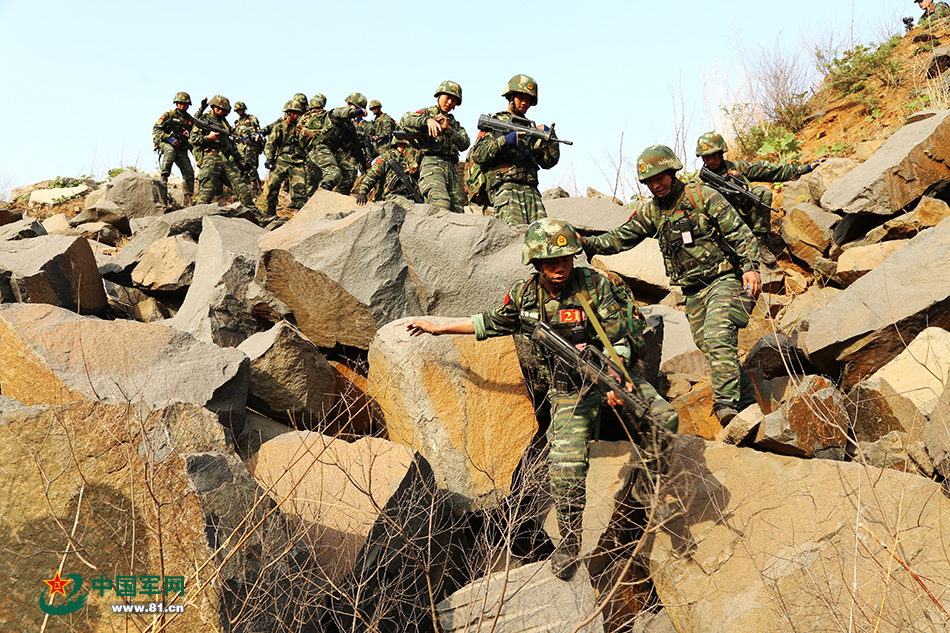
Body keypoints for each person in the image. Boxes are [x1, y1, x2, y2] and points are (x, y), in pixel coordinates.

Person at [407, 218, 677, 581]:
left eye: (564, 259)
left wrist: (615, 378)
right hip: (568, 391)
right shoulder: (525, 296)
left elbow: (620, 340)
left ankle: (645, 489)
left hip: (610, 374)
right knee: (564, 463)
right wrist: (439, 326)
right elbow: (490, 322)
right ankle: (569, 541)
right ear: (536, 263)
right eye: (551, 262)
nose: (559, 268)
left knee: (665, 419)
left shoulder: (593, 284)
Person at [582, 144, 761, 426]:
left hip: (723, 279)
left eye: (659, 178)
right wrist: (586, 243)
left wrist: (751, 268)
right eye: (649, 182)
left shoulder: (702, 195)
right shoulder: (652, 212)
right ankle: (749, 403)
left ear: (672, 171)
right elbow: (621, 238)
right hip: (691, 291)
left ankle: (726, 405)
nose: (656, 185)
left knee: (717, 336)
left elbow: (740, 232)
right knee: (710, 345)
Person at [696, 130, 822, 265]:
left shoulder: (737, 168)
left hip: (746, 218)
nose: (710, 161)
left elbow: (772, 171)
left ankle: (760, 242)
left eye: (714, 155)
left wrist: (806, 168)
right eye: (706, 157)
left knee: (762, 192)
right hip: (725, 229)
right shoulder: (700, 185)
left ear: (721, 152)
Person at [469, 74, 561, 226]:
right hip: (506, 190)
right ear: (511, 97)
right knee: (512, 236)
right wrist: (504, 141)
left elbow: (548, 161)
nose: (525, 103)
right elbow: (478, 154)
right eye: (521, 98)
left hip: (531, 192)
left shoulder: (531, 128)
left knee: (539, 238)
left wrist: (549, 140)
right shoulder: (495, 122)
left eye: (529, 100)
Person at [400, 81, 470, 213]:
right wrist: (426, 121)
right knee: (440, 204)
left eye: (454, 100)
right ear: (439, 96)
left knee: (458, 211)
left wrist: (449, 129)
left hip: (451, 167)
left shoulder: (454, 124)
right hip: (432, 163)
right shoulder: (427, 113)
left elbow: (465, 143)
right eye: (447, 98)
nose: (449, 102)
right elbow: (405, 119)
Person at [189, 94, 260, 212]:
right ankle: (195, 218)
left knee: (242, 188)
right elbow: (193, 139)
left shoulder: (225, 124)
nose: (221, 111)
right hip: (211, 158)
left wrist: (240, 161)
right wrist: (208, 138)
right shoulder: (204, 119)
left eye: (223, 110)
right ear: (213, 107)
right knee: (207, 192)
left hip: (227, 160)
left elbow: (232, 145)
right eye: (219, 109)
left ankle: (256, 215)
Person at [299, 92, 367, 194]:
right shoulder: (335, 114)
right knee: (334, 172)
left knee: (350, 171)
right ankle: (322, 195)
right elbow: (342, 112)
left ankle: (339, 197)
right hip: (319, 148)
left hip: (333, 152)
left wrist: (364, 162)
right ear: (349, 105)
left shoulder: (349, 126)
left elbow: (355, 147)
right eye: (354, 107)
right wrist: (358, 111)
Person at [262, 100, 308, 216]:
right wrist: (269, 158)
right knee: (273, 182)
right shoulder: (280, 127)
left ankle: (301, 212)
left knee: (300, 187)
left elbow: (307, 146)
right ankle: (271, 209)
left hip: (298, 160)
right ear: (288, 112)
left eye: (298, 113)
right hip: (282, 159)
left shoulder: (301, 129)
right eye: (293, 113)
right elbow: (270, 144)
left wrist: (309, 161)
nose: (296, 115)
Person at [152, 91, 196, 205]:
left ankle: (188, 199)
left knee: (189, 172)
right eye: (180, 103)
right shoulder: (169, 115)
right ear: (176, 103)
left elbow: (195, 134)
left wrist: (189, 134)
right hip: (165, 143)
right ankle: (164, 177)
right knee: (170, 151)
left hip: (181, 147)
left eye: (185, 103)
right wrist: (170, 139)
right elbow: (156, 130)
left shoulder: (189, 119)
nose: (182, 105)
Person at [355, 138, 422, 209]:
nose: (408, 150)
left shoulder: (410, 160)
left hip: (409, 195)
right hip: (392, 195)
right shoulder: (387, 158)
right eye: (406, 147)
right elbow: (372, 175)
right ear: (399, 146)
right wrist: (362, 193)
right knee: (410, 208)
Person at [297, 94, 328, 196]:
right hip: (316, 150)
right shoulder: (325, 116)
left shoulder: (305, 117)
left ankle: (313, 197)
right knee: (314, 176)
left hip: (313, 150)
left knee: (313, 177)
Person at [233, 101, 265, 194]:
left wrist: (256, 134)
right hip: (241, 146)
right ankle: (245, 184)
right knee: (242, 164)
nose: (240, 111)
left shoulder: (251, 118)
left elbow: (257, 129)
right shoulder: (237, 122)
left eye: (241, 109)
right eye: (238, 110)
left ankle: (255, 184)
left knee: (251, 164)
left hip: (251, 144)